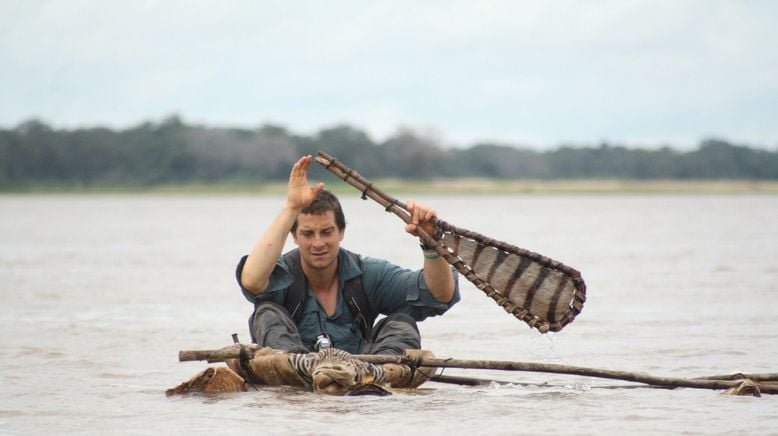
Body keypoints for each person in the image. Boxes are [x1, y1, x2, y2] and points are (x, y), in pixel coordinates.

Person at [236, 155, 460, 356]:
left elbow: (439, 294)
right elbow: (252, 281)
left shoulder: (367, 274)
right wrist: (292, 208)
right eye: (307, 234)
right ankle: (297, 366)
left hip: (360, 373)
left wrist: (431, 242)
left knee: (401, 324)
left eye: (327, 232)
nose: (318, 243)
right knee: (266, 313)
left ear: (341, 232)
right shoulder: (282, 271)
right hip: (295, 368)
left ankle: (378, 373)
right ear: (293, 235)